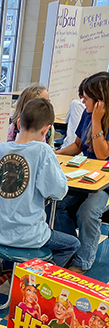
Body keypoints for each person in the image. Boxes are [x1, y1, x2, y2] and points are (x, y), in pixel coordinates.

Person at [0, 98, 80, 301]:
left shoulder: (0, 149)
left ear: (18, 123)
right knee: (72, 244)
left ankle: (5, 273)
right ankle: (36, 285)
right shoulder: (43, 151)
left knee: (16, 249)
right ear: (46, 130)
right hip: (31, 236)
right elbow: (59, 191)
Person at [55, 72, 109, 273]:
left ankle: (83, 262)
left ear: (99, 101)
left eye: (86, 97)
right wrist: (55, 153)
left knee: (88, 211)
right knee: (56, 203)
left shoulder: (96, 116)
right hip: (82, 178)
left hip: (104, 185)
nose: (82, 100)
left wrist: (97, 120)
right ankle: (70, 248)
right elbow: (77, 146)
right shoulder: (87, 113)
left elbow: (103, 154)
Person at [7, 83, 54, 148]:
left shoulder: (49, 128)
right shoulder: (13, 127)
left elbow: (51, 148)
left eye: (48, 101)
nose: (47, 106)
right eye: (42, 103)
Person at [62, 78, 86, 148]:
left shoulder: (76, 103)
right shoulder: (86, 113)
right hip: (72, 149)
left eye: (86, 99)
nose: (83, 102)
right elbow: (77, 145)